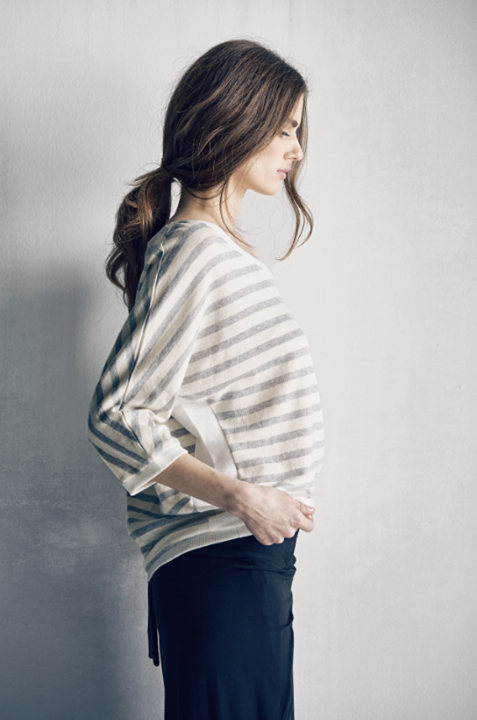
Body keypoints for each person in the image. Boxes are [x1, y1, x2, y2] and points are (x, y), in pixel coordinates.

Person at [87, 38, 324, 720]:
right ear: (235, 119)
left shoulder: (218, 253)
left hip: (244, 556)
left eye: (297, 131)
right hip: (221, 554)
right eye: (284, 128)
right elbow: (117, 415)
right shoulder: (193, 251)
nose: (296, 149)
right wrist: (242, 497)